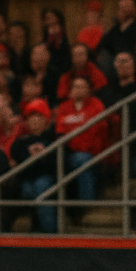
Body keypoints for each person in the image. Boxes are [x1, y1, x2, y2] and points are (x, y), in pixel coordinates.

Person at [53, 76, 107, 204]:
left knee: (82, 160)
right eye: (75, 87)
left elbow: (93, 133)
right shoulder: (64, 107)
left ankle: (86, 204)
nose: (78, 90)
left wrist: (73, 131)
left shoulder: (96, 105)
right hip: (69, 153)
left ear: (89, 89)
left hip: (92, 153)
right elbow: (60, 132)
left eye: (82, 86)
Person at [11, 100, 59, 233]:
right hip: (26, 180)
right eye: (31, 118)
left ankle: (49, 233)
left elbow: (56, 163)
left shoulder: (53, 139)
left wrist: (44, 155)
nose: (35, 121)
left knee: (41, 186)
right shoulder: (21, 142)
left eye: (39, 117)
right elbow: (18, 157)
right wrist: (31, 155)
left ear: (46, 120)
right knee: (27, 189)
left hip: (48, 179)